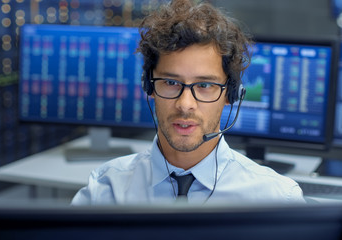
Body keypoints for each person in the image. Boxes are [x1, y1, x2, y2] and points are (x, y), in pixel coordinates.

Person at [71, 0, 304, 205]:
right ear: (149, 87)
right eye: (171, 83)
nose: (185, 104)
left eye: (204, 86)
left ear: (229, 95)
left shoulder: (277, 199)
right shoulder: (104, 192)